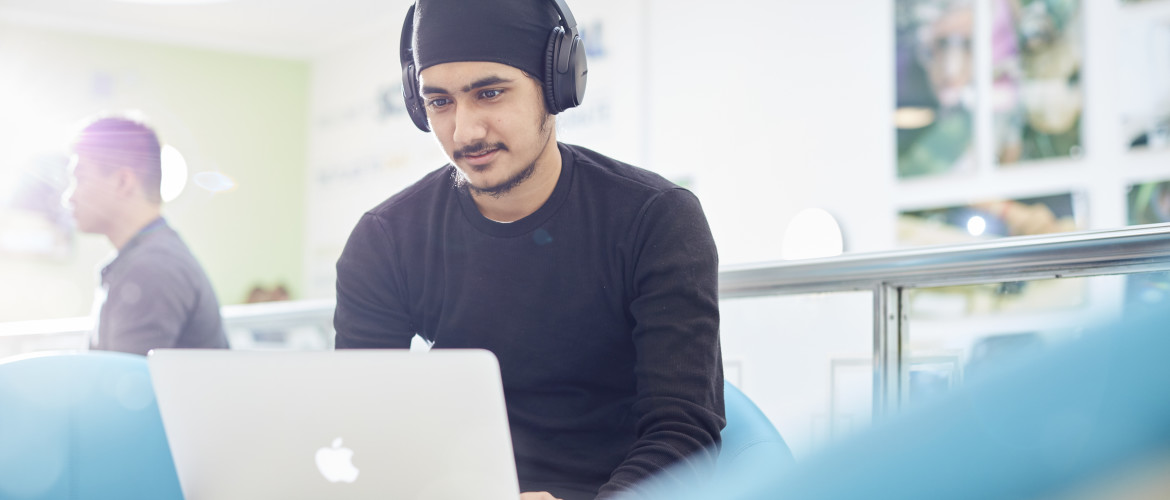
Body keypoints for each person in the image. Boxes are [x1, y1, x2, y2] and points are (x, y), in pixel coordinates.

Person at [332, 1, 724, 499]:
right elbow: (362, 423)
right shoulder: (385, 240)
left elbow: (684, 432)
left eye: (490, 93)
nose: (465, 131)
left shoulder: (656, 219)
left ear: (558, 84)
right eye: (439, 102)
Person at [66, 116, 229, 356]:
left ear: (123, 182)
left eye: (80, 179)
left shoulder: (151, 268)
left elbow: (121, 390)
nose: (69, 197)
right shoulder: (146, 259)